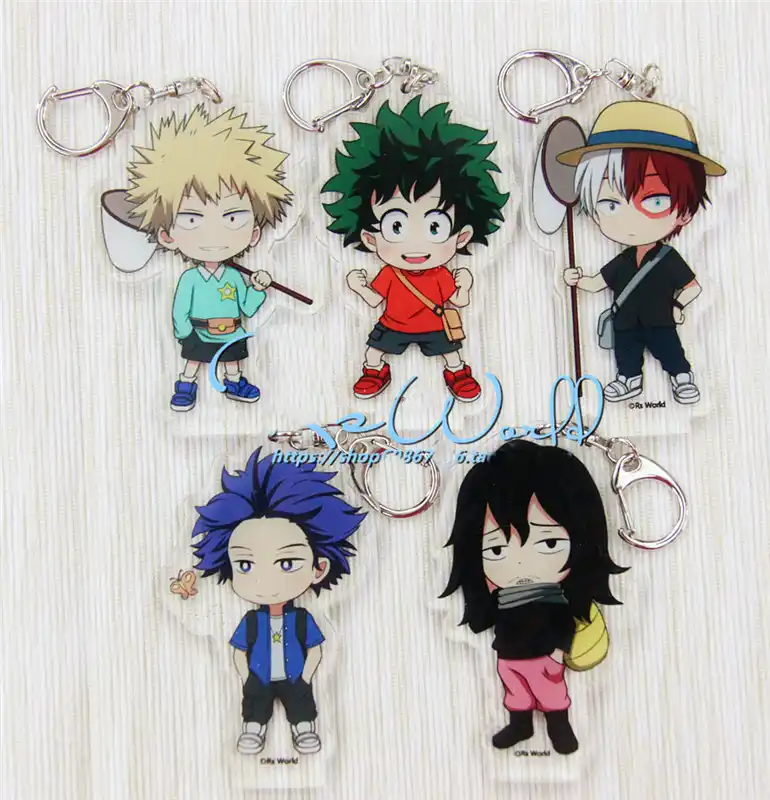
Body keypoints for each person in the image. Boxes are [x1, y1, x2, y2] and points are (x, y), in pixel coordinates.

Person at [442, 440, 626, 754]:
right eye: (496, 549)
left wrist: (558, 651)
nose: (519, 563)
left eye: (549, 543)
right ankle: (521, 725)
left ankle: (559, 725)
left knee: (550, 691)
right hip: (508, 654)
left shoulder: (554, 596)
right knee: (515, 690)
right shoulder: (500, 596)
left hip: (544, 654)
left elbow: (564, 622)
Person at [322, 96, 508, 402]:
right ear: (370, 238)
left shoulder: (440, 274)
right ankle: (375, 372)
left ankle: (458, 374)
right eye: (396, 226)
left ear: (462, 236)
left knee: (452, 355)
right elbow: (375, 300)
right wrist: (358, 286)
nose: (416, 244)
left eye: (435, 227)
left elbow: (459, 301)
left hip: (435, 325)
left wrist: (465, 284)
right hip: (393, 324)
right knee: (373, 352)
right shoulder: (390, 273)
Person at [192, 449, 366, 755]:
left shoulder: (302, 619)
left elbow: (315, 648)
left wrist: (307, 675)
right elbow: (238, 650)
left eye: (287, 563)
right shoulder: (251, 621)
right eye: (245, 565)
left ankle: (304, 731)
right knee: (255, 706)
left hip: (294, 676)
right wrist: (246, 676)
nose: (266, 582)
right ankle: (253, 731)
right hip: (259, 677)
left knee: (301, 705)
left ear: (318, 568)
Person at [558, 101, 726, 404]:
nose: (630, 219)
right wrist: (576, 279)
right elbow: (597, 283)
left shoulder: (667, 258)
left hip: (660, 320)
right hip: (625, 322)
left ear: (685, 212)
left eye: (655, 202)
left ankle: (682, 379)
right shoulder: (622, 260)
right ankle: (628, 381)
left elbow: (693, 287)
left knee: (670, 352)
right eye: (610, 204)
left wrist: (677, 305)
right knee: (627, 356)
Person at [125, 106, 292, 411]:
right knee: (193, 362)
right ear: (168, 236)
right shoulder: (190, 278)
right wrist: (183, 332)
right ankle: (186, 385)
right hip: (198, 330)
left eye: (232, 218)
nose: (214, 234)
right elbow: (180, 308)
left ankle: (234, 383)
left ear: (254, 234)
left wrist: (258, 288)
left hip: (232, 330)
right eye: (192, 219)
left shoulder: (234, 277)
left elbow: (246, 307)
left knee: (232, 361)